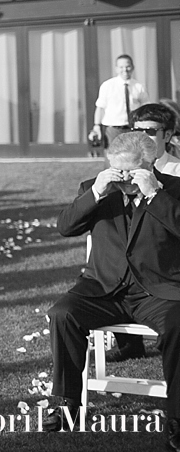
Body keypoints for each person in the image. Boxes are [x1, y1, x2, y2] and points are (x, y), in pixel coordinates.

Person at [45, 132, 180, 450]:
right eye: (116, 171)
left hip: (157, 291)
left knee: (179, 325)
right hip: (103, 288)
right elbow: (65, 227)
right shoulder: (96, 189)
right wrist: (95, 191)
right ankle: (66, 406)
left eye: (128, 173)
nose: (122, 180)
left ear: (148, 166)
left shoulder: (174, 190)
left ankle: (177, 418)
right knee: (62, 313)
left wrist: (155, 196)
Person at [106, 103, 180, 361]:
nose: (140, 137)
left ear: (167, 136)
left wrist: (155, 194)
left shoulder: (175, 176)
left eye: (149, 131)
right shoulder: (120, 177)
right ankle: (131, 344)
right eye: (135, 130)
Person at [89, 54, 149, 149]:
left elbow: (146, 107)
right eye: (121, 67)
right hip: (113, 129)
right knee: (113, 158)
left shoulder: (139, 86)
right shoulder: (107, 85)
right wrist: (96, 126)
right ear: (116, 69)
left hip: (133, 128)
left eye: (127, 66)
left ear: (133, 67)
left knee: (133, 157)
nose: (125, 70)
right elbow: (100, 108)